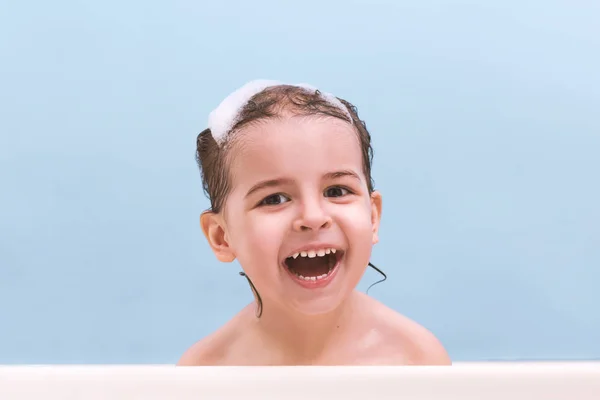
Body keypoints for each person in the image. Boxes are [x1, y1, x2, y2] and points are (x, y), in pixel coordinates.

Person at [178, 80, 451, 366]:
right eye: (274, 199)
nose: (313, 218)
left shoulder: (414, 358)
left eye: (336, 191)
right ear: (221, 236)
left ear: (372, 218)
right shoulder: (206, 370)